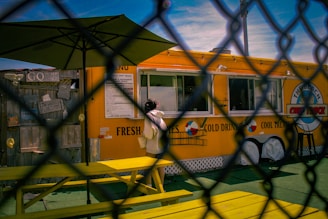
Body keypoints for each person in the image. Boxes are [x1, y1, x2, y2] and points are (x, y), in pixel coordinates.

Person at [142, 99, 167, 187]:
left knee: (148, 164)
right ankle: (160, 186)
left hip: (152, 144)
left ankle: (149, 185)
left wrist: (143, 135)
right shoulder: (160, 116)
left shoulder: (148, 115)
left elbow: (149, 132)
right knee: (161, 165)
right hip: (162, 143)